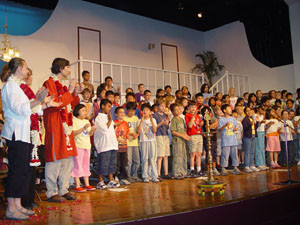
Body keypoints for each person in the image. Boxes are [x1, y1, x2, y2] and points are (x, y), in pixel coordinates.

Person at [1, 58, 48, 220]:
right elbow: (19, 109)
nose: (28, 71)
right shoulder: (10, 86)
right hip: (15, 133)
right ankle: (11, 209)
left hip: (24, 133)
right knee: (16, 171)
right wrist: (38, 99)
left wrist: (41, 102)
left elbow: (31, 108)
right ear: (19, 69)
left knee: (22, 171)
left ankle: (18, 205)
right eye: (26, 67)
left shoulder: (19, 87)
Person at [43, 58, 82, 203]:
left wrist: (75, 93)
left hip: (66, 127)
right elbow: (56, 104)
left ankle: (64, 189)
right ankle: (51, 192)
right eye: (67, 67)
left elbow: (71, 105)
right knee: (54, 159)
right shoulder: (48, 83)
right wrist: (71, 91)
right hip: (55, 125)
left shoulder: (63, 86)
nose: (69, 70)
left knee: (67, 160)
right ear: (60, 68)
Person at [94, 99, 120, 189]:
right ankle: (100, 181)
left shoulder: (108, 117)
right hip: (104, 145)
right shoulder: (98, 118)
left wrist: (114, 125)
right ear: (102, 106)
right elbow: (104, 130)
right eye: (108, 106)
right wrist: (110, 120)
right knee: (103, 164)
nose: (110, 109)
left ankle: (111, 180)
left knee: (112, 164)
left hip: (112, 144)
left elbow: (111, 129)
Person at [71, 104, 96, 192]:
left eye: (86, 110)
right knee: (77, 165)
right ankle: (77, 185)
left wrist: (92, 130)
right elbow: (73, 133)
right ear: (77, 111)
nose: (85, 112)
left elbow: (89, 134)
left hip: (86, 145)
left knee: (86, 165)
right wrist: (83, 128)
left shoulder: (86, 121)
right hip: (78, 146)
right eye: (83, 110)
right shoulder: (74, 120)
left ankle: (87, 184)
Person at [137, 103, 159, 183]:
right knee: (144, 158)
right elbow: (138, 131)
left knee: (153, 158)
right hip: (143, 141)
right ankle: (145, 176)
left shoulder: (153, 120)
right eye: (143, 110)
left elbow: (155, 130)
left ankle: (154, 176)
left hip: (152, 141)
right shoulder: (139, 120)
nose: (145, 111)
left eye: (147, 110)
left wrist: (151, 121)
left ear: (150, 112)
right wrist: (141, 121)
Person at [218, 104, 241, 176]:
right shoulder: (221, 119)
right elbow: (220, 130)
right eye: (229, 109)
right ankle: (223, 168)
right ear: (224, 110)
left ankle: (235, 167)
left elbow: (235, 127)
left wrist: (235, 129)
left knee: (234, 154)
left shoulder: (233, 119)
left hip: (233, 139)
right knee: (225, 154)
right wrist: (225, 125)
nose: (230, 110)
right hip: (225, 140)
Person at [170, 103, 190, 179]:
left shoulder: (181, 119)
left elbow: (184, 129)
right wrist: (183, 136)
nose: (178, 111)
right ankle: (176, 172)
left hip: (182, 141)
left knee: (183, 156)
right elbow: (173, 131)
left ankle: (183, 172)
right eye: (176, 110)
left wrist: (186, 136)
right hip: (177, 141)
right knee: (177, 156)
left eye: (179, 109)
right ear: (172, 112)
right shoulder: (174, 120)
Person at [153, 99, 171, 180]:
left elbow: (167, 127)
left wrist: (167, 123)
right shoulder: (155, 115)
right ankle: (158, 173)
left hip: (165, 135)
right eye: (161, 106)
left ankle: (166, 173)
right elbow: (155, 127)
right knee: (160, 155)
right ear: (157, 107)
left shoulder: (165, 115)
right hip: (159, 135)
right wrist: (162, 123)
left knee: (166, 155)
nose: (163, 107)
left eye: (164, 106)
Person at [185, 101, 204, 177]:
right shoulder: (187, 115)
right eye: (191, 107)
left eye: (194, 107)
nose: (193, 109)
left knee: (199, 153)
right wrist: (194, 115)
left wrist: (201, 124)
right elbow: (189, 125)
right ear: (188, 108)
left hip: (199, 134)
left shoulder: (198, 117)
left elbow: (198, 126)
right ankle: (192, 169)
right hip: (192, 135)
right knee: (193, 153)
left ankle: (199, 169)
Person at [124, 102, 141, 182]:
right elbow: (123, 131)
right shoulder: (124, 118)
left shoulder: (136, 118)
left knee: (137, 160)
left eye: (133, 111)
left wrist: (137, 134)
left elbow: (138, 130)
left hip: (135, 142)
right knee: (129, 161)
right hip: (127, 142)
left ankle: (135, 175)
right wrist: (130, 134)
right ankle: (128, 175)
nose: (131, 113)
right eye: (130, 111)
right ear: (127, 110)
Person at [201, 106, 220, 175]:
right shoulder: (204, 121)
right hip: (207, 139)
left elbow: (215, 127)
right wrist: (215, 123)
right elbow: (207, 127)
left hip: (214, 138)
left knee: (214, 153)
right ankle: (209, 168)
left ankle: (214, 167)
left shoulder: (211, 120)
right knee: (209, 153)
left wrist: (215, 124)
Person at [114, 107, 130, 185]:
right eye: (120, 112)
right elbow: (112, 134)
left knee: (124, 163)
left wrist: (129, 136)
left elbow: (126, 133)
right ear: (116, 114)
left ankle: (123, 177)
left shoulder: (125, 123)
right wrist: (118, 138)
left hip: (124, 146)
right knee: (117, 163)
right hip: (116, 147)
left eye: (123, 112)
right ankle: (115, 177)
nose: (122, 114)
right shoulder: (114, 123)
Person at [242, 107, 260, 173]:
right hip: (247, 136)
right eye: (247, 111)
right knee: (247, 152)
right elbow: (245, 128)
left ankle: (251, 165)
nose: (249, 112)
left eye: (250, 111)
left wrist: (257, 123)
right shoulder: (245, 119)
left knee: (252, 151)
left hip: (253, 135)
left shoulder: (252, 119)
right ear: (245, 112)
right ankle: (246, 166)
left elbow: (255, 127)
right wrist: (251, 124)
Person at [255, 105, 269, 170]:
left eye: (263, 110)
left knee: (262, 148)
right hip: (258, 132)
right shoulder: (255, 115)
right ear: (258, 109)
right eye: (261, 109)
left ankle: (263, 163)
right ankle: (259, 163)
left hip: (263, 131)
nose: (263, 111)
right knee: (259, 148)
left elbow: (264, 124)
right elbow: (257, 124)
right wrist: (262, 121)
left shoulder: (262, 116)